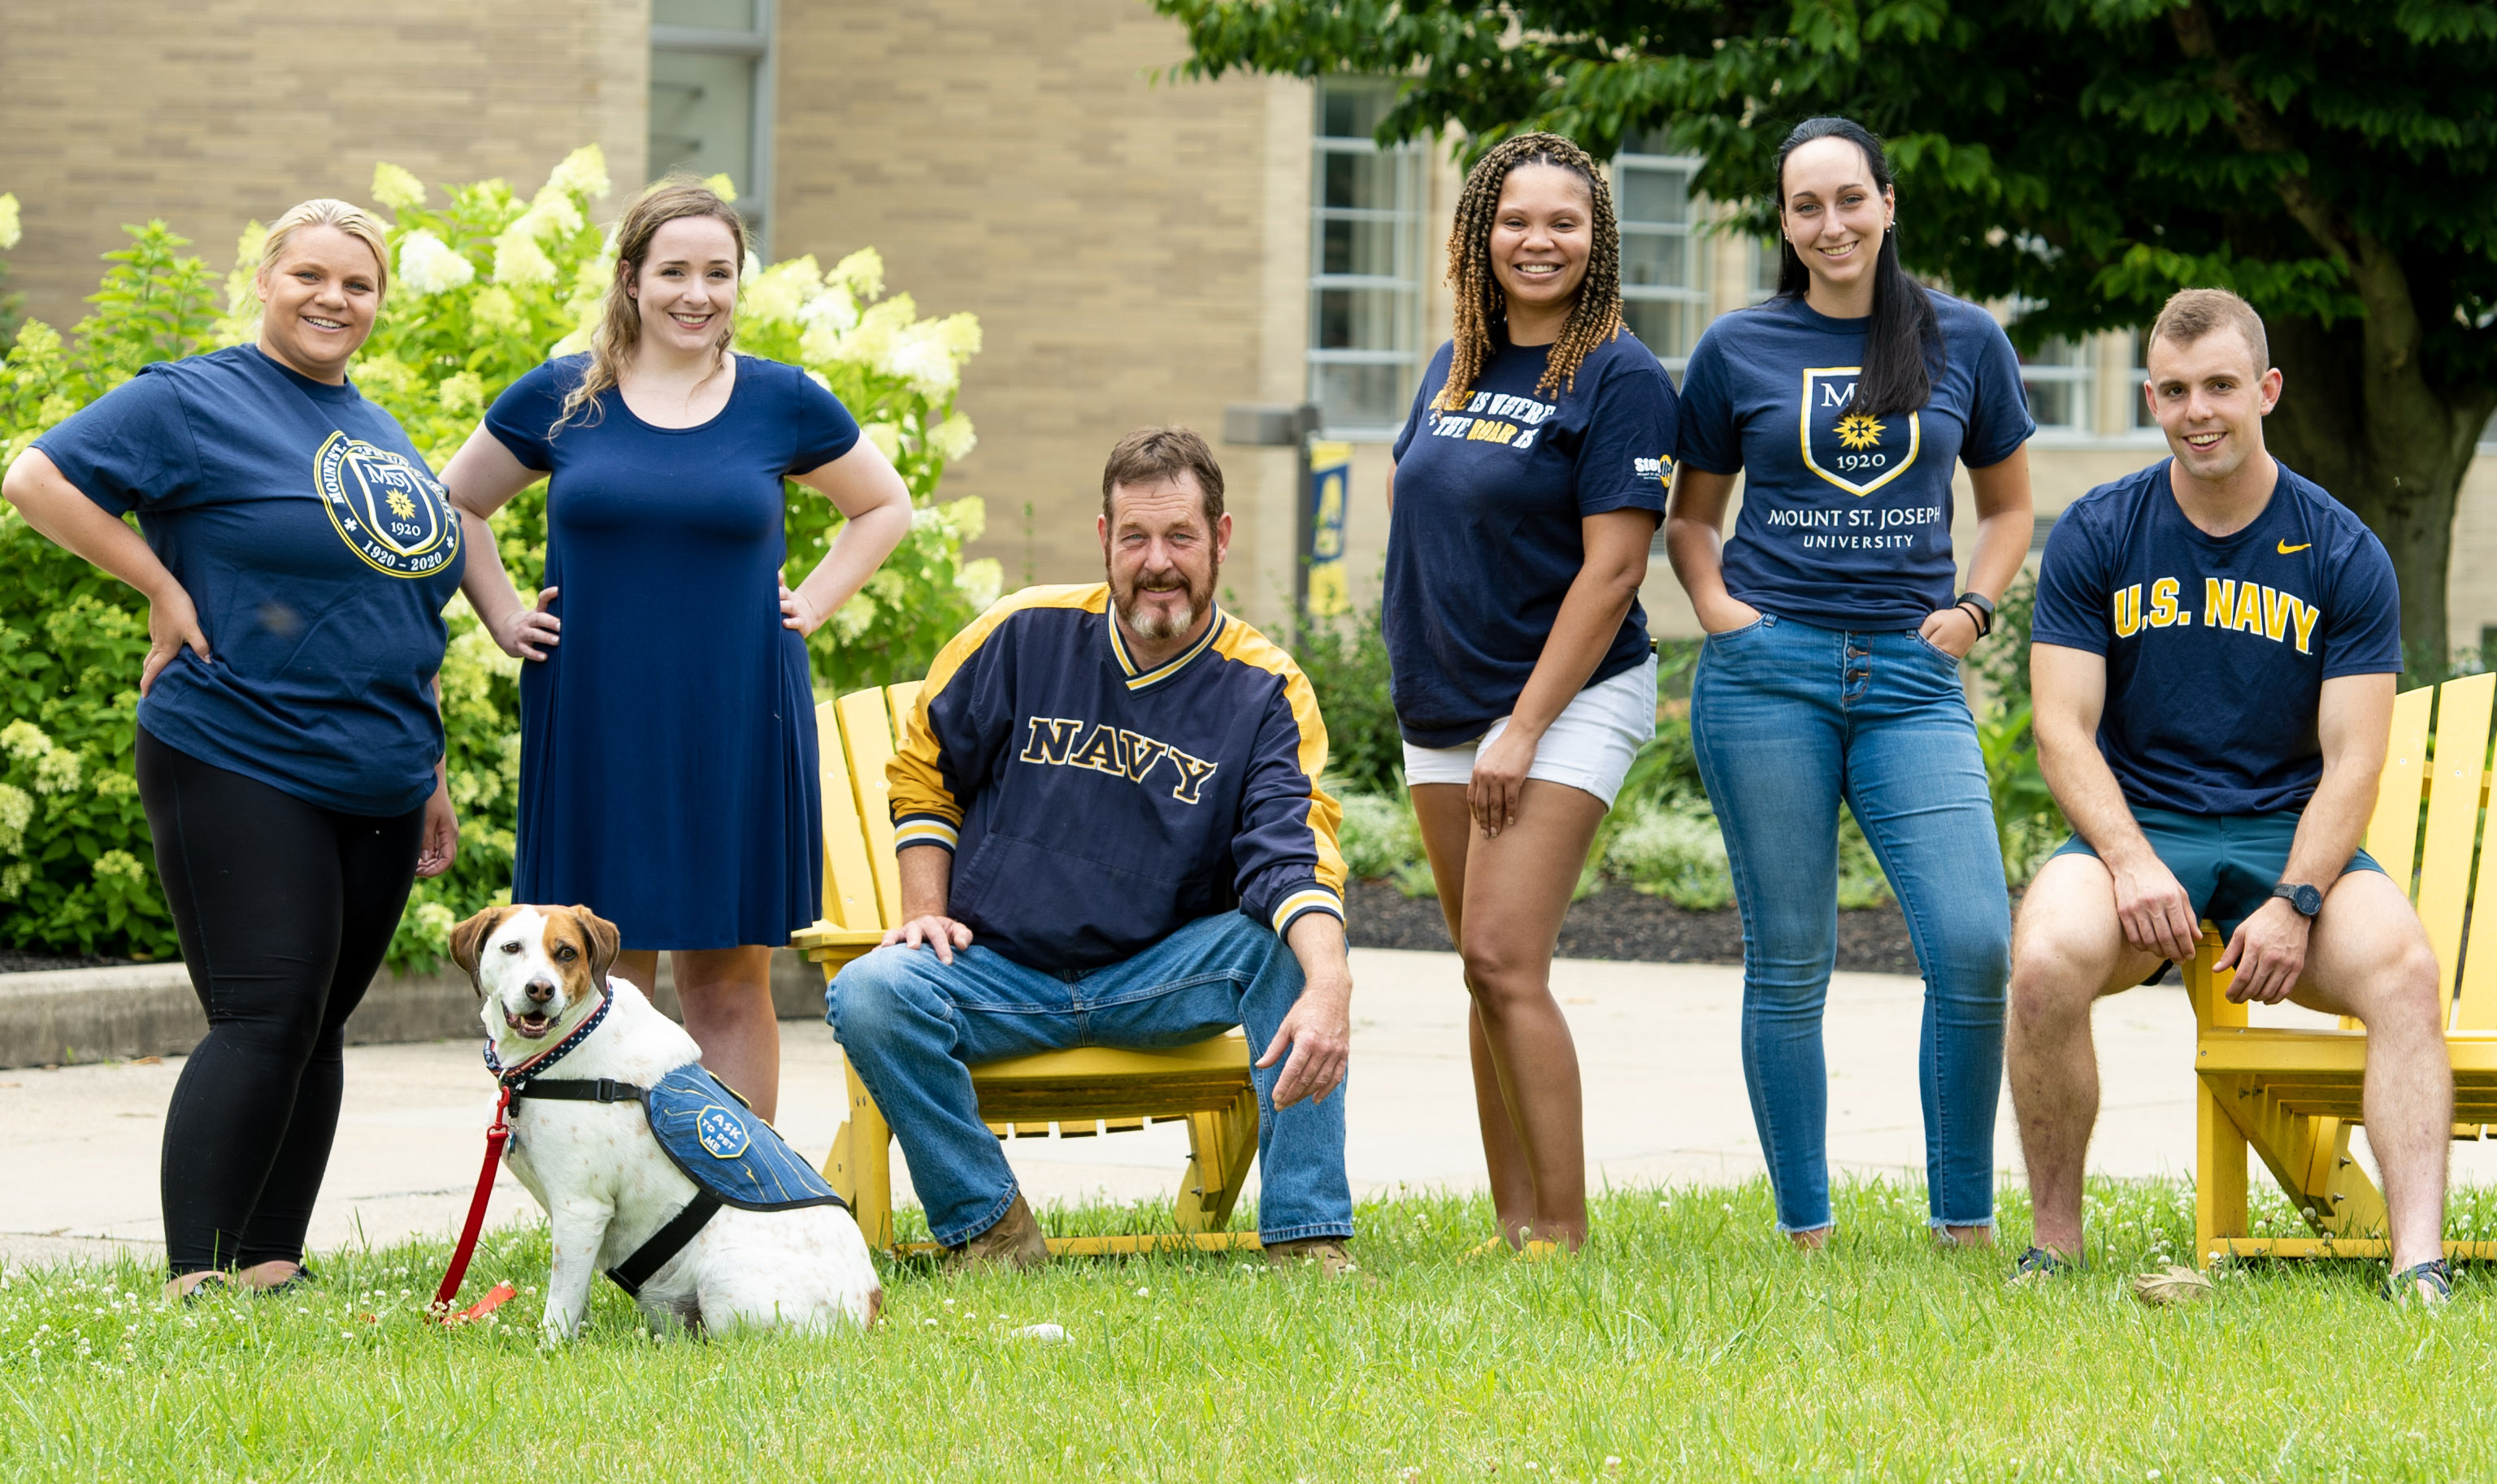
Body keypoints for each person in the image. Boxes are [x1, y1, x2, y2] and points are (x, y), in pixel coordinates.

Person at [2, 199, 463, 1300]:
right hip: (239, 745)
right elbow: (34, 478)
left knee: (319, 1022)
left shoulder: (376, 427)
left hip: (386, 764)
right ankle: (194, 1274)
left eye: (358, 284)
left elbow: (400, 600)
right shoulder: (195, 397)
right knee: (266, 1006)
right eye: (310, 274)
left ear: (379, 302)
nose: (333, 299)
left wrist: (434, 772)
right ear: (263, 279)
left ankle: (268, 1261)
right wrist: (161, 585)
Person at [2007, 288, 2452, 1301]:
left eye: (2219, 385)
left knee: (2405, 971)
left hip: (2290, 832)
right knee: (2041, 962)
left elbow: (2355, 760)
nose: (2197, 409)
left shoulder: (2341, 549)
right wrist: (2127, 859)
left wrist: (2298, 902)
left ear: (2267, 389)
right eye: (2173, 389)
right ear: (2150, 398)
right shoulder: (2099, 531)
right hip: (2143, 824)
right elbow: (2062, 729)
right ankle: (2055, 1244)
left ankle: (2417, 1261)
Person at [827, 427, 1357, 1273]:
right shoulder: (1022, 633)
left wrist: (1331, 982)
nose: (1158, 561)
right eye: (1136, 536)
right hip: (999, 973)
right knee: (868, 992)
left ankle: (1308, 1235)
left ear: (1219, 537)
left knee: (1287, 951)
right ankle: (992, 1228)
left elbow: (1290, 852)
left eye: (1181, 536)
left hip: (1161, 977)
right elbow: (925, 769)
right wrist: (923, 911)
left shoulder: (1265, 687)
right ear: (1104, 537)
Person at [442, 180, 911, 1122]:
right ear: (630, 279)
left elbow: (883, 504)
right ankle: (622, 1202)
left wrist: (813, 599)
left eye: (719, 273)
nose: (697, 293)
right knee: (603, 973)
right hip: (594, 714)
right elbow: (451, 503)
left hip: (735, 711)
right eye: (674, 272)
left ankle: (739, 1203)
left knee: (729, 975)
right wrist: (499, 614)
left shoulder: (782, 400)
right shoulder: (562, 397)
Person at [1665, 116, 2035, 1249]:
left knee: (1974, 944)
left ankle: (1961, 1223)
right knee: (1790, 956)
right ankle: (1804, 1230)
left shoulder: (1964, 339)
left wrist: (1972, 610)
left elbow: (2011, 505)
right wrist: (1726, 616)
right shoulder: (1738, 346)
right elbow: (1692, 519)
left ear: (1887, 204)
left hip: (1911, 678)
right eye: (1805, 206)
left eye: (1848, 199)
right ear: (1784, 222)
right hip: (1768, 674)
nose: (1830, 223)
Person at [1386, 132, 1674, 1256]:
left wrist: (1524, 725)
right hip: (1445, 705)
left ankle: (1562, 1230)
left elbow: (1613, 571)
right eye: (1516, 219)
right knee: (1481, 971)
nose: (1538, 240)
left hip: (1565, 698)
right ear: (1479, 233)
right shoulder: (1454, 361)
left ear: (1596, 237)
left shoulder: (1622, 375)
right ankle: (1513, 1223)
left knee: (1507, 956)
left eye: (1564, 221)